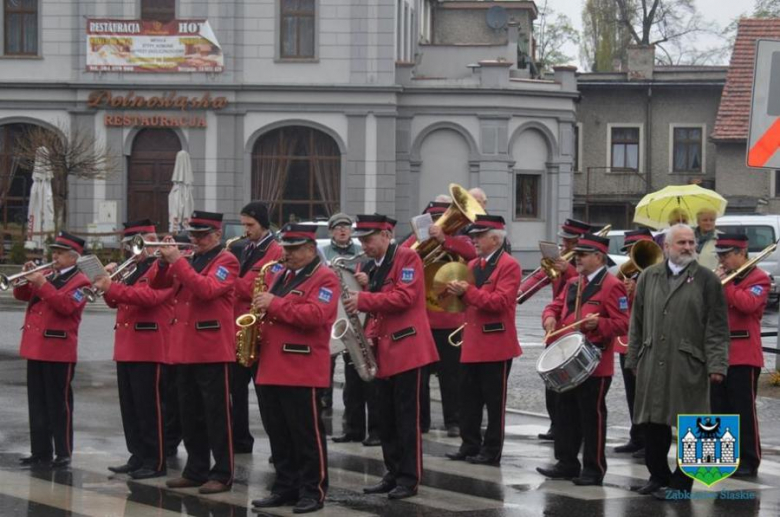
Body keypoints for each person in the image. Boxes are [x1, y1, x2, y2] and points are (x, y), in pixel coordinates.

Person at [625, 224, 729, 500]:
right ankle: (658, 476)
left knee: (693, 424)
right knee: (653, 421)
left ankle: (682, 485)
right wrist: (633, 357)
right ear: (666, 247)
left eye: (691, 242)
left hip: (689, 362)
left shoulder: (707, 279)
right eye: (681, 242)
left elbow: (717, 327)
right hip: (652, 359)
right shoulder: (649, 276)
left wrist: (717, 365)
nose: (687, 247)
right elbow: (636, 322)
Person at [343, 214, 439, 500]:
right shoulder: (375, 265)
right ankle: (392, 472)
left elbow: (403, 298)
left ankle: (409, 478)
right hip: (384, 350)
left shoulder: (407, 258)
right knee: (385, 418)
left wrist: (362, 299)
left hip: (408, 349)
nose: (364, 245)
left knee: (406, 419)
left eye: (369, 239)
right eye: (361, 240)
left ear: (386, 234)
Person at [250, 224, 339, 514]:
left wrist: (274, 304)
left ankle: (313, 491)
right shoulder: (279, 274)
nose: (286, 254)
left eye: (293, 249)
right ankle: (285, 487)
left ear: (311, 249)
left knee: (306, 435)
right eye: (285, 248)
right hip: (271, 366)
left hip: (302, 367)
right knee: (279, 433)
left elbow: (315, 315)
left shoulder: (325, 278)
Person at [150, 210, 239, 495]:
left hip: (212, 348)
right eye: (194, 235)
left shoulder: (226, 260)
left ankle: (223, 473)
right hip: (184, 347)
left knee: (217, 416)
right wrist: (165, 264)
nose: (196, 240)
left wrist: (178, 262)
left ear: (217, 235)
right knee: (189, 414)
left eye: (202, 235)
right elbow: (157, 285)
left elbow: (207, 289)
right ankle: (196, 469)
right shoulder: (188, 260)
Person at [537, 234, 628, 486]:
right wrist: (549, 318)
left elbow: (623, 323)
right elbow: (554, 306)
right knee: (565, 413)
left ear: (598, 258)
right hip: (567, 359)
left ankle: (594, 469)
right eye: (577, 254)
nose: (577, 258)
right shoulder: (574, 282)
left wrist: (600, 323)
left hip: (594, 363)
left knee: (592, 417)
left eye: (583, 254)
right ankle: (566, 463)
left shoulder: (612, 285)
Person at [95, 219, 174, 479]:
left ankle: (156, 460)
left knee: (150, 407)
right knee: (130, 407)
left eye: (136, 245)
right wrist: (106, 284)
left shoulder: (163, 268)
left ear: (150, 243)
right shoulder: (132, 270)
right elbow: (114, 302)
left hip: (149, 345)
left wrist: (113, 286)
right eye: (130, 246)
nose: (132, 251)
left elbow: (150, 298)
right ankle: (137, 454)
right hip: (127, 345)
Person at [444, 215, 521, 465]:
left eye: (479, 236)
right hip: (473, 341)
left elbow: (499, 302)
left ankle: (491, 451)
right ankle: (470, 444)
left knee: (494, 403)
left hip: (496, 344)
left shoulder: (508, 265)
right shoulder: (474, 264)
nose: (473, 240)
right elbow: (468, 300)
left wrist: (467, 291)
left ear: (495, 238)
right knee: (468, 399)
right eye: (473, 236)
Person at [400, 201, 477, 438]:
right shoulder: (412, 240)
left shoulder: (460, 241)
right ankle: (421, 421)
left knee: (451, 375)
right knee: (419, 376)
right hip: (423, 318)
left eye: (440, 218)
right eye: (432, 219)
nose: (436, 223)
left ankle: (453, 421)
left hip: (450, 318)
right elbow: (401, 259)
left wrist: (445, 239)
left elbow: (472, 255)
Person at [15, 231, 91, 469]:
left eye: (59, 253)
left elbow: (66, 306)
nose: (54, 257)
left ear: (73, 258)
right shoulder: (47, 274)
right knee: (37, 402)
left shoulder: (83, 281)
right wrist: (27, 277)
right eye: (53, 252)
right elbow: (22, 295)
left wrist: (42, 284)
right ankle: (40, 451)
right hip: (36, 347)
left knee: (59, 404)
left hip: (59, 348)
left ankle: (63, 451)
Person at [517, 218, 590, 441]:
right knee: (553, 382)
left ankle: (699, 470)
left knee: (693, 412)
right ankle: (558, 426)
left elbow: (586, 290)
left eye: (570, 242)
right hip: (559, 329)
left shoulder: (700, 279)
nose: (565, 246)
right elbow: (558, 298)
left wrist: (568, 270)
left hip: (693, 367)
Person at [712, 233, 770, 478]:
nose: (723, 260)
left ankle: (749, 459)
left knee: (743, 410)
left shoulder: (759, 278)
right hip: (718, 354)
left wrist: (726, 284)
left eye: (727, 255)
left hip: (744, 354)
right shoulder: (724, 278)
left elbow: (747, 304)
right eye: (721, 255)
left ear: (741, 253)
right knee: (719, 408)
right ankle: (724, 456)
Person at [230, 201, 283, 454]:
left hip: (260, 332)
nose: (246, 230)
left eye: (250, 225)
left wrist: (229, 280)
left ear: (263, 224)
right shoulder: (242, 248)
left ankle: (279, 448)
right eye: (243, 225)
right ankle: (239, 440)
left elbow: (260, 288)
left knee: (267, 396)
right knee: (234, 392)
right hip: (239, 331)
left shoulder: (275, 252)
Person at [327, 212, 381, 446]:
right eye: (338, 227)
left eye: (346, 228)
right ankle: (353, 428)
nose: (343, 231)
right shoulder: (330, 255)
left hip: (367, 324)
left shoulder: (370, 262)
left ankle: (376, 431)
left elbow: (381, 294)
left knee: (372, 385)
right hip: (349, 322)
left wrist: (368, 283)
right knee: (352, 384)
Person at [613, 228, 655, 457]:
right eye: (630, 251)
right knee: (633, 392)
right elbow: (624, 311)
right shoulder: (629, 276)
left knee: (647, 393)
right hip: (630, 340)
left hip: (650, 341)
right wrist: (627, 293)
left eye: (635, 250)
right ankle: (637, 436)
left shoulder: (658, 273)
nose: (631, 255)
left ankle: (651, 441)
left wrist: (637, 292)